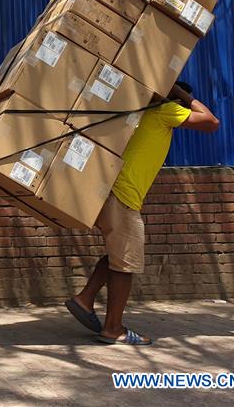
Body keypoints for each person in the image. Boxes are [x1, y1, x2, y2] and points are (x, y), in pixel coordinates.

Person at [65, 81, 219, 346]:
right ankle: (113, 328)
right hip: (123, 196)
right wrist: (182, 96)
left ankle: (84, 299)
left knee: (119, 255)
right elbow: (211, 122)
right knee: (126, 263)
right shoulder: (164, 110)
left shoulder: (138, 109)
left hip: (108, 190)